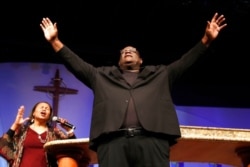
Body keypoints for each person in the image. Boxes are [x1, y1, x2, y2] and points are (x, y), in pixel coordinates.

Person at [40, 12, 227, 167]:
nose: (127, 51)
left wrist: (206, 40)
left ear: (141, 60)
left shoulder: (161, 74)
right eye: (123, 52)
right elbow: (77, 64)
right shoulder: (101, 76)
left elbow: (186, 62)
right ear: (119, 61)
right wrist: (55, 41)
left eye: (132, 50)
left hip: (152, 141)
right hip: (112, 143)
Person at [0, 101, 76, 167]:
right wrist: (15, 125)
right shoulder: (22, 130)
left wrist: (69, 130)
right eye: (41, 107)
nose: (44, 109)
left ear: (50, 116)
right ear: (33, 113)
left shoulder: (55, 132)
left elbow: (74, 150)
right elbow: (2, 145)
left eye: (47, 108)